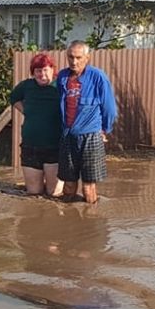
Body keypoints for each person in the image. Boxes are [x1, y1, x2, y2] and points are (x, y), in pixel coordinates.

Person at [56, 40, 117, 204]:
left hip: (90, 136)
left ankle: (90, 223)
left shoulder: (98, 77)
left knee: (88, 187)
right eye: (70, 57)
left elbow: (110, 108)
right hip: (68, 136)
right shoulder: (62, 76)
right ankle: (68, 221)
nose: (74, 61)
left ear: (87, 58)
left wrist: (105, 130)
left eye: (78, 57)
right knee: (68, 185)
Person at [9, 52, 63, 197]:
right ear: (33, 72)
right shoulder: (26, 86)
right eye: (38, 70)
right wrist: (26, 111)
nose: (42, 74)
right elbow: (13, 98)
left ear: (52, 69)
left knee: (54, 193)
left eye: (45, 69)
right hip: (30, 146)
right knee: (34, 193)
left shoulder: (61, 85)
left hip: (55, 147)